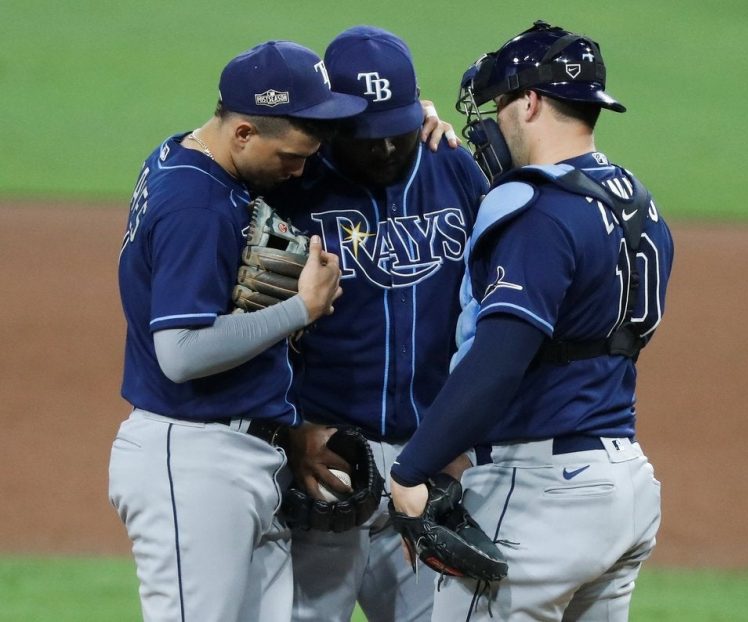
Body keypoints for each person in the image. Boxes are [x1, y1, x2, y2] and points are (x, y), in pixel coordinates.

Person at [390, 20, 675, 621]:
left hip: (542, 497)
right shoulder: (635, 202)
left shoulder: (538, 213)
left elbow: (499, 361)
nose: (495, 121)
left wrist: (412, 468)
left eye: (501, 104)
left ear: (531, 102)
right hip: (624, 484)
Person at [107, 40, 369, 622]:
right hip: (193, 458)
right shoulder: (196, 205)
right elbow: (179, 352)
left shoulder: (188, 154)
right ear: (245, 133)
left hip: (242, 454)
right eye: (292, 157)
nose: (302, 170)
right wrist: (300, 309)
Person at [263, 26, 490, 622]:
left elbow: (497, 317)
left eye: (397, 133)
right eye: (367, 138)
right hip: (326, 459)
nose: (386, 151)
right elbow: (249, 324)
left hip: (434, 463)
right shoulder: (292, 184)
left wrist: (464, 441)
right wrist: (288, 430)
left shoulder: (456, 171)